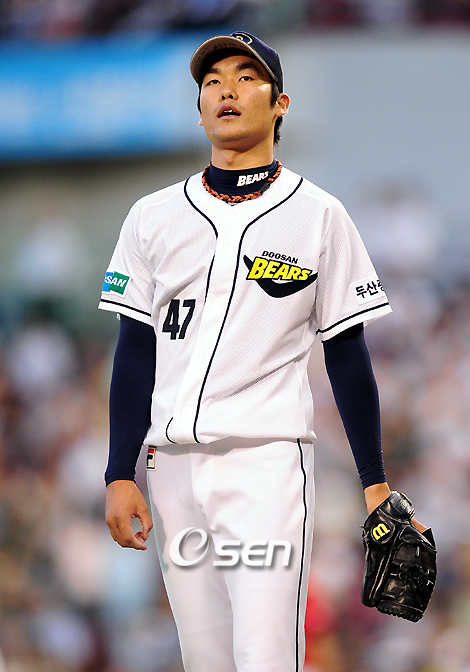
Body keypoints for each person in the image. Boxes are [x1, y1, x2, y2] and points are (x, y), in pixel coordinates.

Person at [100, 31, 427, 672]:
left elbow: (347, 354)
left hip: (266, 466)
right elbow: (135, 351)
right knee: (206, 660)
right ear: (200, 110)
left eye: (247, 77)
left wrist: (374, 482)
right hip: (172, 472)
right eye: (213, 80)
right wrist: (119, 471)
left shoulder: (319, 214)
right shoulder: (151, 216)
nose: (227, 88)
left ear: (280, 104)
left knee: (265, 656)